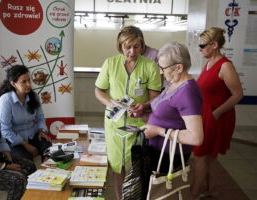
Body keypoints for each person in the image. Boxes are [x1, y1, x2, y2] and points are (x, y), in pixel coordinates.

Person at [94, 26, 162, 200]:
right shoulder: (110, 63)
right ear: (120, 46)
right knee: (118, 168)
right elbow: (99, 91)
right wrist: (110, 102)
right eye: (127, 47)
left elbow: (156, 98)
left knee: (137, 168)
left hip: (139, 125)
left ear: (142, 46)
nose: (132, 52)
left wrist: (144, 105)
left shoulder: (150, 66)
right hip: (114, 124)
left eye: (137, 47)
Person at [137, 41, 203, 176]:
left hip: (169, 155)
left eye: (163, 68)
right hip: (157, 150)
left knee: (161, 193)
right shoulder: (173, 83)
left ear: (179, 67)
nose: (160, 72)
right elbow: (168, 117)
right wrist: (143, 114)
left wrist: (158, 131)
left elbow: (196, 138)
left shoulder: (188, 92)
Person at [191, 27, 243, 198]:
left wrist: (217, 113)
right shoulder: (208, 63)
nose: (199, 49)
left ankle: (195, 191)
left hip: (217, 117)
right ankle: (211, 189)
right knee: (208, 156)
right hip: (207, 115)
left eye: (202, 46)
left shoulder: (225, 65)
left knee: (201, 155)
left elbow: (237, 95)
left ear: (214, 44)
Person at [0, 65, 52, 162]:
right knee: (26, 162)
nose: (29, 84)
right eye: (24, 82)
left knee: (50, 151)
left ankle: (48, 174)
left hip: (32, 135)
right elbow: (5, 131)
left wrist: (41, 131)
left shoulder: (33, 96)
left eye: (29, 80)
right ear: (13, 84)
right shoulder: (5, 101)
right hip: (14, 141)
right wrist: (25, 144)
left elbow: (40, 117)